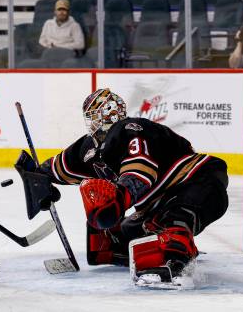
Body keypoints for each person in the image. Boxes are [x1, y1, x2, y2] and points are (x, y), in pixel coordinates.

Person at [34, 89, 228, 288]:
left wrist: (119, 198)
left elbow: (140, 172)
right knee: (130, 229)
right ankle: (124, 249)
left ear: (108, 113)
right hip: (160, 200)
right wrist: (37, 174)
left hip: (198, 180)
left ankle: (176, 263)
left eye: (94, 117)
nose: (91, 123)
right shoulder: (91, 147)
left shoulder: (131, 129)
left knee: (176, 217)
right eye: (89, 118)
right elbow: (64, 165)